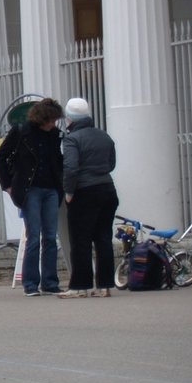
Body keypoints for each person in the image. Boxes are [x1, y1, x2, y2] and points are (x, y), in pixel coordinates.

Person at [0, 98, 65, 296]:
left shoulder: (54, 134)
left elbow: (58, 160)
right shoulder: (21, 132)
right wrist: (7, 185)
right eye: (51, 120)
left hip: (51, 188)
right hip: (30, 189)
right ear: (41, 118)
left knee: (51, 237)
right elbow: (1, 157)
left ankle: (50, 282)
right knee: (34, 236)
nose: (53, 124)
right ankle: (31, 284)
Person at [58, 97, 118, 298]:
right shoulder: (104, 135)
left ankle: (80, 286)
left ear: (69, 118)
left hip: (84, 191)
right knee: (103, 238)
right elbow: (111, 164)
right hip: (107, 189)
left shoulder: (72, 139)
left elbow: (70, 168)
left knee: (80, 240)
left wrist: (69, 192)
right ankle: (105, 285)